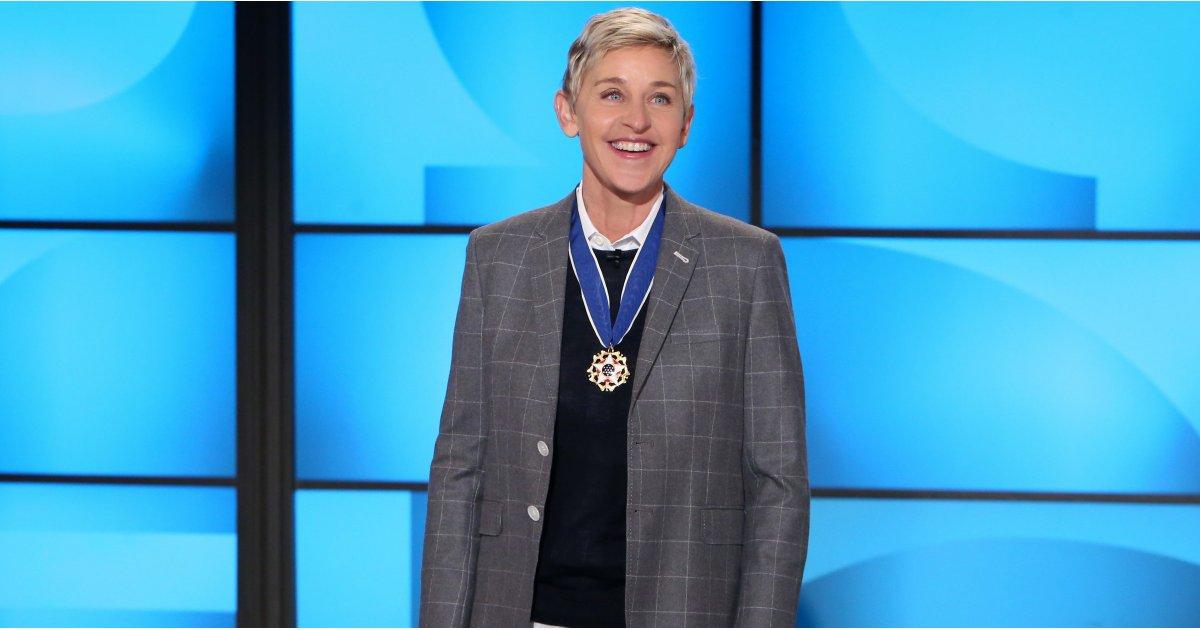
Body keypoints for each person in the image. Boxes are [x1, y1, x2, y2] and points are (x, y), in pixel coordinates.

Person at [419, 7, 808, 628]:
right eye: (611, 94)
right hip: (521, 612)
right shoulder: (499, 256)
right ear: (568, 112)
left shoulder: (745, 263)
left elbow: (778, 484)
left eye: (660, 98)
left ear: (686, 124)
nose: (636, 120)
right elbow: (460, 464)